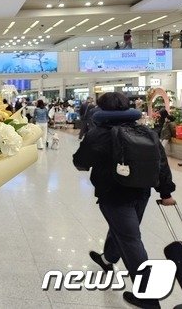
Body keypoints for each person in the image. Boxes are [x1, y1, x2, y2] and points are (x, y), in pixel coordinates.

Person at [73, 92, 175, 309]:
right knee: (124, 230)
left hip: (113, 193)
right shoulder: (147, 132)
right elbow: (161, 164)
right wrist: (165, 192)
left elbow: (80, 161)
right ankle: (108, 258)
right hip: (142, 192)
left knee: (130, 240)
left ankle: (148, 297)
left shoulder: (99, 134)